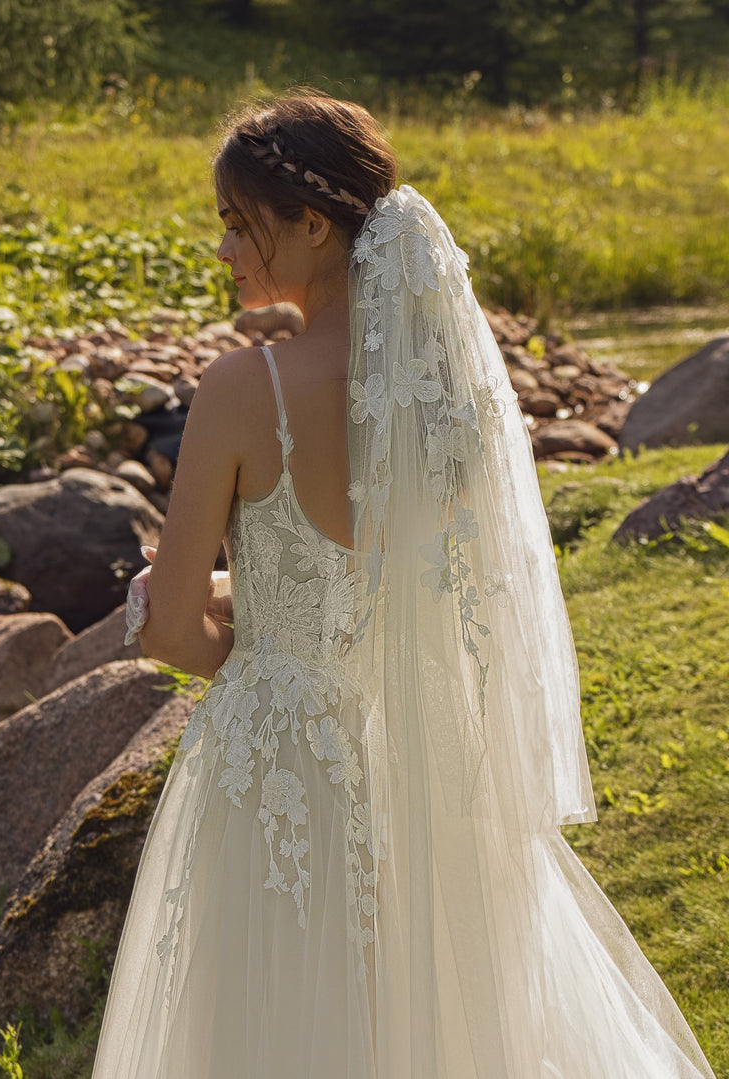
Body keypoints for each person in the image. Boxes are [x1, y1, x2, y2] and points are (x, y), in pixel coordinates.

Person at [92, 94, 716, 1078]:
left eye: (236, 223)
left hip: (278, 770)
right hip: (418, 757)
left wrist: (217, 619)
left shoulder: (239, 391)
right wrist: (253, 596)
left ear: (310, 223)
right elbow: (410, 583)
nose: (224, 252)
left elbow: (170, 635)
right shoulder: (450, 400)